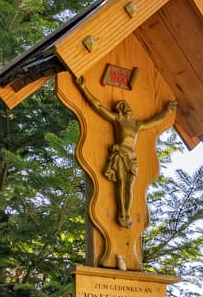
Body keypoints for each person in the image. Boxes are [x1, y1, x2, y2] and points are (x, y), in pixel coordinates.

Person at [73, 74, 178, 227]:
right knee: (121, 184)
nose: (126, 108)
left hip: (132, 158)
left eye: (127, 106)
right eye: (123, 107)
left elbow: (154, 121)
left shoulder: (137, 124)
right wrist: (83, 88)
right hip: (120, 156)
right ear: (120, 110)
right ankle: (121, 213)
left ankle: (126, 214)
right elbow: (98, 106)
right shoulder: (118, 120)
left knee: (129, 186)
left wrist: (167, 112)